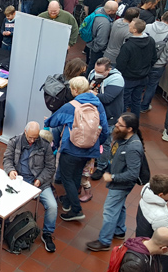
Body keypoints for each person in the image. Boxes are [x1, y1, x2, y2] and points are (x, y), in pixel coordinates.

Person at [45, 76, 109, 221]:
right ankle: (68, 201)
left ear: (75, 90)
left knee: (67, 178)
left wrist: (47, 122)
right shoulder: (98, 105)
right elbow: (104, 130)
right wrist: (95, 143)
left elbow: (54, 121)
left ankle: (76, 210)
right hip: (89, 150)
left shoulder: (71, 106)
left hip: (71, 149)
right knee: (76, 176)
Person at [86, 113, 144, 251]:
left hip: (121, 184)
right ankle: (119, 231)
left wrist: (113, 177)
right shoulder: (122, 137)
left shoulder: (133, 148)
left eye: (120, 124)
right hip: (118, 181)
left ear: (129, 129)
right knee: (119, 205)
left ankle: (104, 241)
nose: (116, 125)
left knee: (110, 211)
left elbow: (133, 174)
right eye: (117, 122)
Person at [3, 122, 57, 252]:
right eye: (30, 137)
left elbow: (50, 167)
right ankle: (4, 227)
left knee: (52, 206)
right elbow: (7, 159)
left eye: (35, 137)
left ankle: (47, 234)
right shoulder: (14, 142)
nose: (32, 140)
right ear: (25, 131)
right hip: (18, 181)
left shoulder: (44, 145)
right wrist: (10, 170)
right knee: (5, 202)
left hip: (39, 183)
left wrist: (40, 180)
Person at [88, 57, 125, 179]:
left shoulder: (117, 79)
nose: (96, 73)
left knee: (105, 142)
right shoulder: (93, 73)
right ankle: (95, 158)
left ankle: (102, 166)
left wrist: (92, 93)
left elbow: (107, 98)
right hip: (94, 115)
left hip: (109, 117)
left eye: (100, 72)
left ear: (108, 70)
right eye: (95, 70)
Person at [117, 19, 157, 117]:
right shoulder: (151, 41)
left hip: (128, 78)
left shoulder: (127, 46)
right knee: (137, 101)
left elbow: (121, 64)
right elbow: (154, 58)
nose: (128, 26)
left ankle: (123, 122)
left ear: (135, 30)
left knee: (124, 101)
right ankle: (135, 121)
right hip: (143, 78)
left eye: (130, 26)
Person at [141, 11, 168, 112]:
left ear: (161, 17)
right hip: (158, 66)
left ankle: (133, 103)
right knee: (151, 86)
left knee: (139, 83)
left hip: (142, 62)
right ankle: (144, 106)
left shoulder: (147, 27)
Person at [85, 1, 117, 67]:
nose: (116, 12)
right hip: (97, 49)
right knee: (94, 65)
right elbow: (101, 41)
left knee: (90, 63)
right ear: (109, 11)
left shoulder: (99, 10)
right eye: (115, 11)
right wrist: (98, 49)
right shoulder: (105, 23)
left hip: (91, 42)